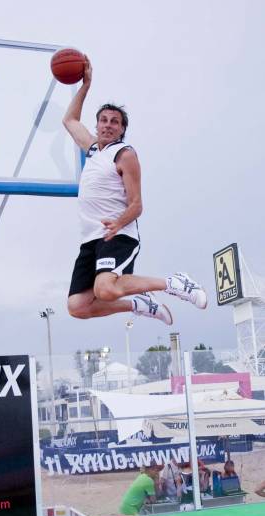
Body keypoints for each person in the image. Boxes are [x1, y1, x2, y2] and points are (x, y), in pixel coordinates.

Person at [63, 58, 207, 326]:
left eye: (114, 122)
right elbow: (70, 120)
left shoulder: (124, 154)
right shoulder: (93, 151)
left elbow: (137, 205)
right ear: (97, 126)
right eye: (103, 120)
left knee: (104, 289)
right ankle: (141, 304)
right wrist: (86, 84)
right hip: (91, 239)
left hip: (119, 234)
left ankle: (174, 283)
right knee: (77, 306)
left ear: (122, 130)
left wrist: (118, 223)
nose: (107, 125)